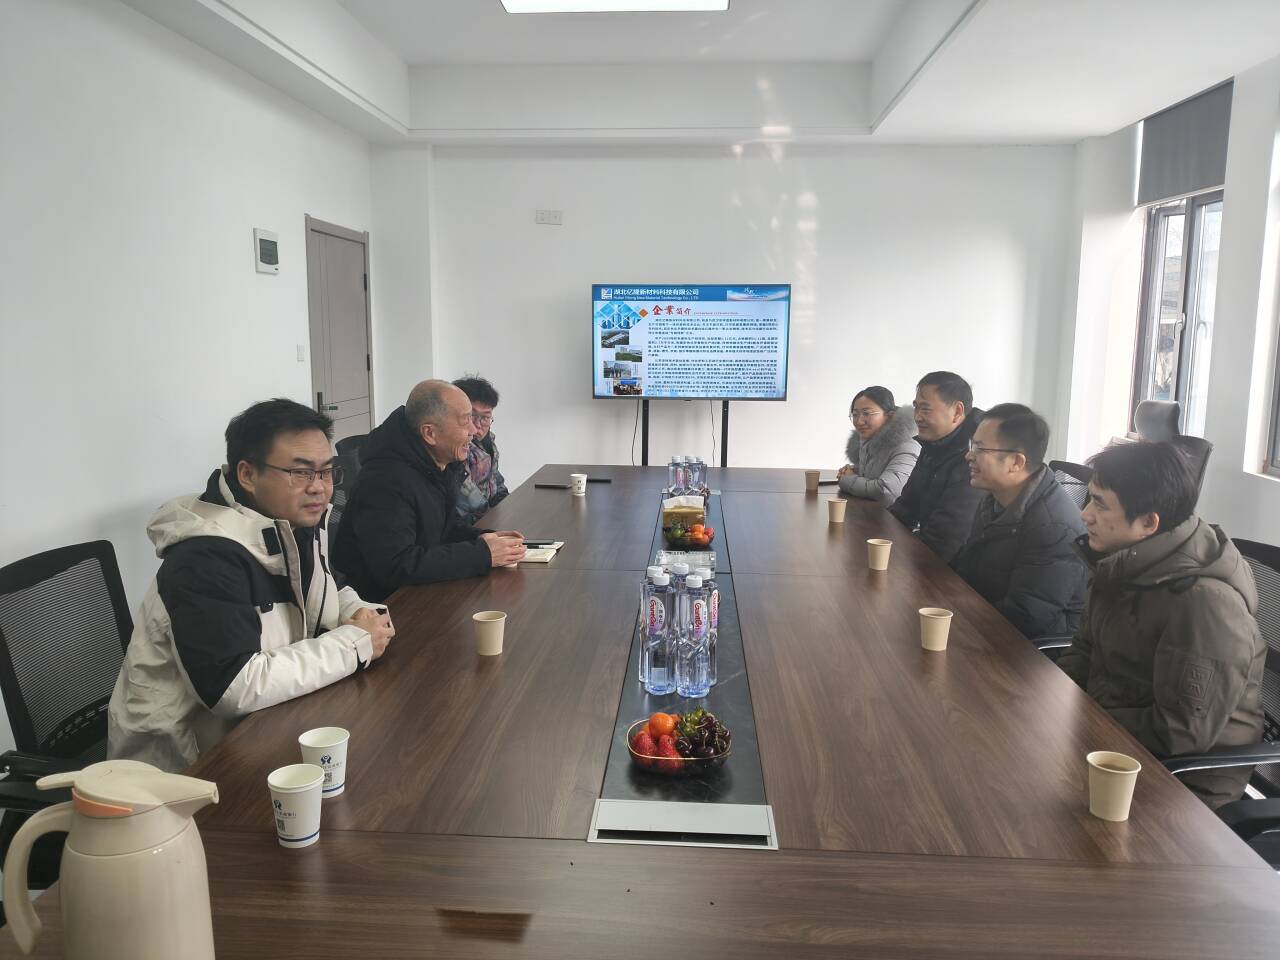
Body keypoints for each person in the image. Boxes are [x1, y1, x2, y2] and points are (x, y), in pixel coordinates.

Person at [107, 399, 395, 772]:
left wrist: (358, 612)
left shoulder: (290, 521)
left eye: (327, 472)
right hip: (186, 771)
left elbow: (327, 585)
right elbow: (233, 687)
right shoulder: (205, 557)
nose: (320, 488)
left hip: (263, 730)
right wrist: (353, 644)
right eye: (301, 472)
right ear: (247, 474)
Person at [1056, 442, 1265, 810]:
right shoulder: (1124, 562)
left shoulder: (1205, 604)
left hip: (1181, 786)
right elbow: (1085, 649)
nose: (1085, 514)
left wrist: (1082, 718)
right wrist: (1055, 702)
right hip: (1113, 742)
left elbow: (1179, 732)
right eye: (1089, 499)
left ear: (1148, 523)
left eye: (1100, 504)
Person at [332, 379, 525, 602]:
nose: (474, 430)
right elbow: (396, 566)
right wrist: (482, 554)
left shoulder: (437, 463)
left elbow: (442, 530)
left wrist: (485, 538)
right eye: (465, 421)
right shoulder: (386, 481)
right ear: (430, 433)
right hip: (387, 606)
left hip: (424, 591)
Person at [950, 403, 1087, 638]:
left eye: (980, 449)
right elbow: (966, 565)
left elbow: (1026, 618)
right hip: (984, 621)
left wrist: (957, 617)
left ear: (1016, 462)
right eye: (972, 445)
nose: (969, 455)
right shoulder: (994, 498)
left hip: (1029, 648)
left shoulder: (1053, 527)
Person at [888, 371, 985, 562]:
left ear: (957, 411)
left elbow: (945, 541)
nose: (917, 417)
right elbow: (904, 509)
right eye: (916, 408)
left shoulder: (973, 456)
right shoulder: (934, 444)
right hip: (928, 557)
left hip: (956, 571)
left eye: (925, 409)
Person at [836, 385, 919, 506]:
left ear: (889, 415)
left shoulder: (907, 446)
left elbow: (886, 491)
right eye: (855, 414)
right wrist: (856, 471)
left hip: (895, 518)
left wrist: (847, 479)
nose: (859, 421)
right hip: (872, 514)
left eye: (867, 413)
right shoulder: (868, 441)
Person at [454, 374, 509, 525]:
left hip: (491, 518)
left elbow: (497, 481)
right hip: (468, 525)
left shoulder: (488, 441)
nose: (477, 425)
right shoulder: (455, 448)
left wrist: (508, 505)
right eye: (472, 416)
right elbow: (468, 497)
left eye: (485, 417)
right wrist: (495, 517)